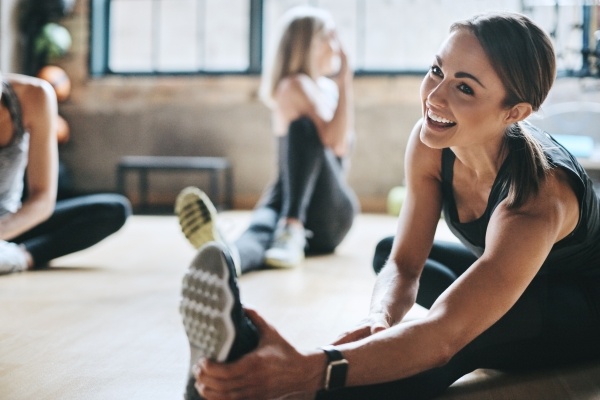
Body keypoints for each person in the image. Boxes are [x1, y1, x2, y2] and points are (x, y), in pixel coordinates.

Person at [180, 11, 600, 399]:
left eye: (465, 87)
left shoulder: (535, 202)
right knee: (388, 258)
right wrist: (381, 322)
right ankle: (255, 371)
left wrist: (310, 368)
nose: (435, 96)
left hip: (581, 308)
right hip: (518, 276)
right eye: (437, 70)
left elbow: (442, 336)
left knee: (457, 340)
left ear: (515, 112)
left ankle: (261, 381)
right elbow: (404, 264)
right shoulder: (431, 143)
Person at [175, 4, 358, 274]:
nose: (337, 44)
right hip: (285, 202)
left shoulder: (327, 89)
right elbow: (336, 140)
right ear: (310, 44)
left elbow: (338, 146)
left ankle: (291, 227)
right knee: (258, 232)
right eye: (330, 36)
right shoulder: (294, 85)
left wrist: (343, 82)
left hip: (327, 213)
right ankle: (227, 259)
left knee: (303, 130)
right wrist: (345, 79)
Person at [0, 72, 131, 275]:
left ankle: (24, 257)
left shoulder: (35, 95)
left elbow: (42, 198)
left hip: (13, 223)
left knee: (113, 210)